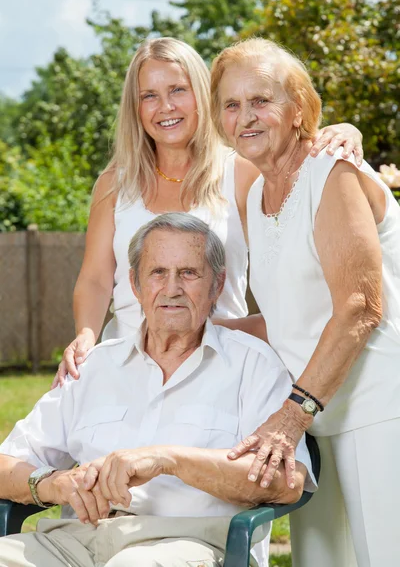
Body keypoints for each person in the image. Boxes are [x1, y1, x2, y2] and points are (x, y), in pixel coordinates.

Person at [0, 213, 316, 567]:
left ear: (217, 284)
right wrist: (52, 484)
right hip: (73, 541)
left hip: (187, 542)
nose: (172, 289)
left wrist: (170, 460)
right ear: (135, 284)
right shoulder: (95, 366)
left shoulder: (252, 365)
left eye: (189, 273)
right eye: (157, 273)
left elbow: (287, 482)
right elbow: (5, 463)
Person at [55, 36, 364, 386]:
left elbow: (295, 164)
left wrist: (346, 130)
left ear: (202, 95)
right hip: (128, 360)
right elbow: (95, 279)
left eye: (178, 90)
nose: (165, 106)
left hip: (221, 360)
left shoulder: (242, 172)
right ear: (135, 108)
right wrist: (85, 335)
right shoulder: (113, 184)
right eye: (149, 96)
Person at [209, 38, 400, 566]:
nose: (245, 116)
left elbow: (361, 307)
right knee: (320, 561)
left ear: (298, 109)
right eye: (231, 104)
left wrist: (292, 415)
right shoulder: (254, 194)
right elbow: (288, 318)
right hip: (316, 415)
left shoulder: (330, 170)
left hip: (379, 408)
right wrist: (207, 330)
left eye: (261, 100)